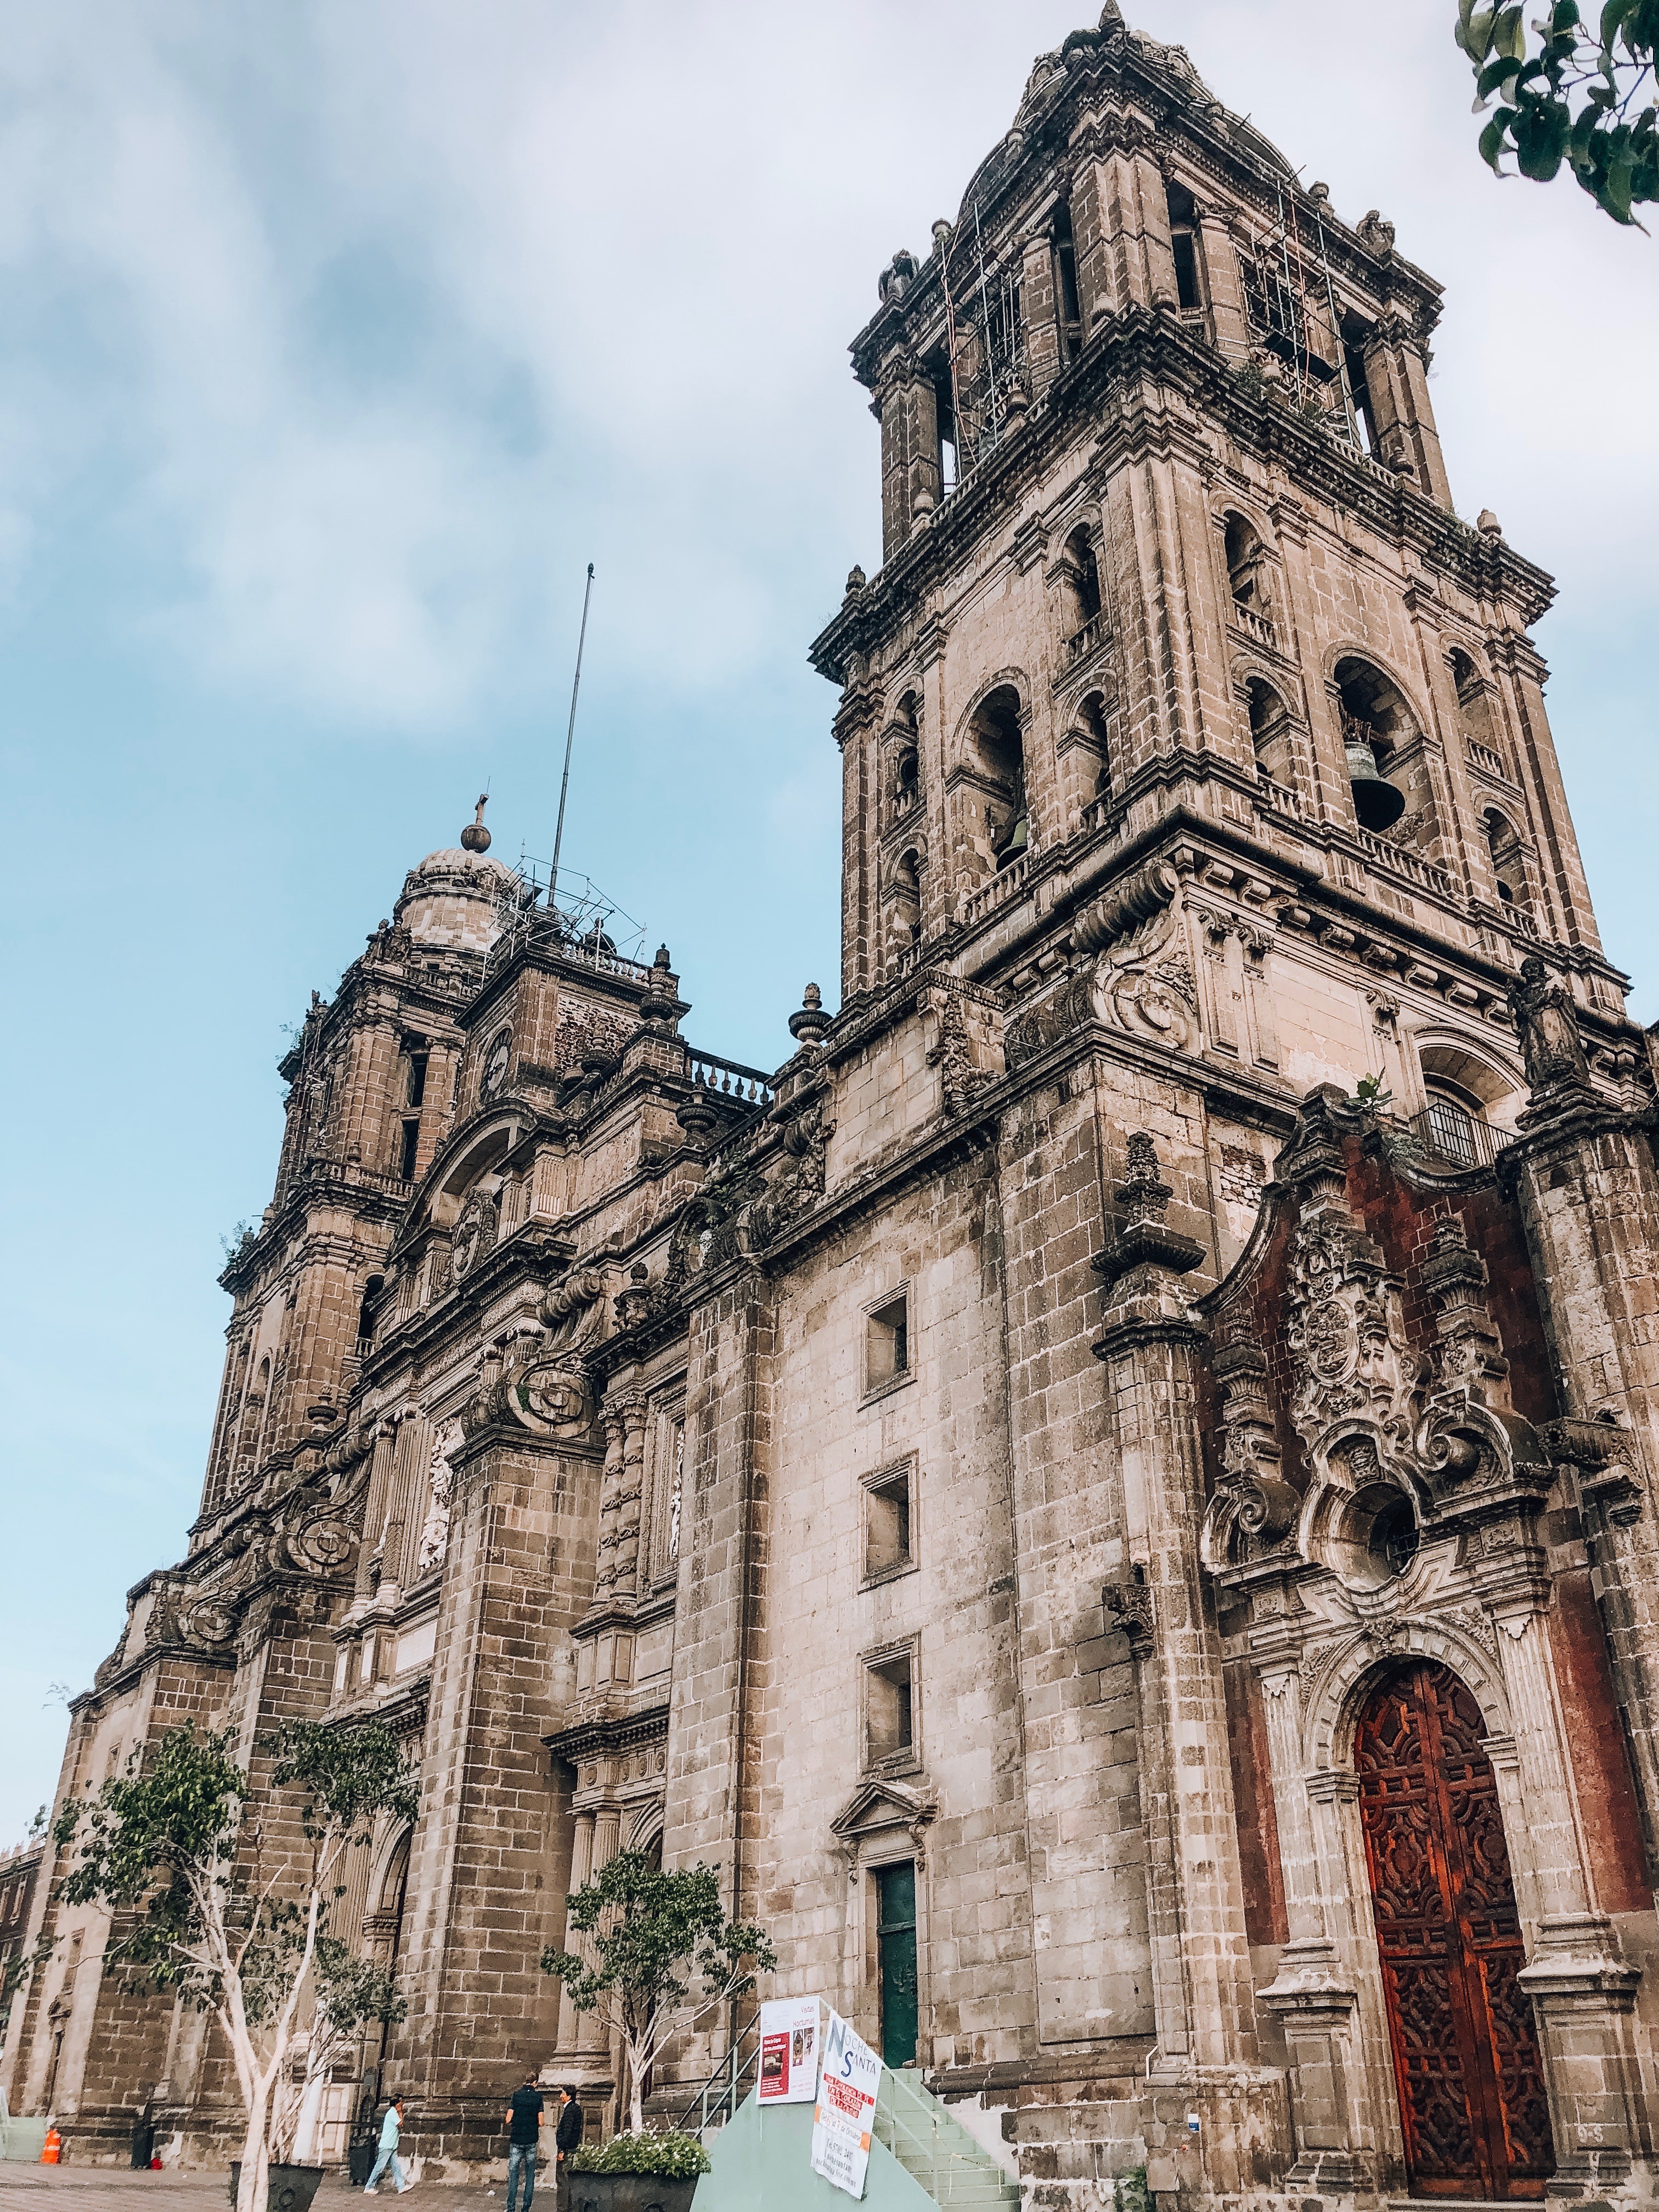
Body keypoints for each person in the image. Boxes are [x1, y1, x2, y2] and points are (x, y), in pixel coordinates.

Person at [504, 2072, 545, 2212]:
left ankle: (511, 2208)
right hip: (531, 2140)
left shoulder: (516, 2096)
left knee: (514, 2174)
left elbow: (508, 2119)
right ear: (536, 2083)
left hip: (516, 2139)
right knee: (530, 2175)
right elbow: (541, 2122)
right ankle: (526, 2208)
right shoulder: (538, 2098)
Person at [364, 2095, 416, 2195]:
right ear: (397, 2104)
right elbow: (401, 2124)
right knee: (379, 2167)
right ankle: (369, 2186)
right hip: (387, 2146)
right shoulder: (392, 2113)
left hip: (392, 2145)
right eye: (401, 2103)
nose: (402, 2104)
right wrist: (401, 2112)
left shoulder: (394, 2113)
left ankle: (401, 2186)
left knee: (396, 2166)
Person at [554, 2086, 584, 2211]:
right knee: (568, 2180)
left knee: (562, 2181)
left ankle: (563, 2209)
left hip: (567, 2150)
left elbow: (567, 2132)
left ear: (569, 2096)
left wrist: (562, 2150)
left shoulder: (570, 2110)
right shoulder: (575, 2109)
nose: (561, 2095)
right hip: (572, 2148)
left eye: (563, 2093)